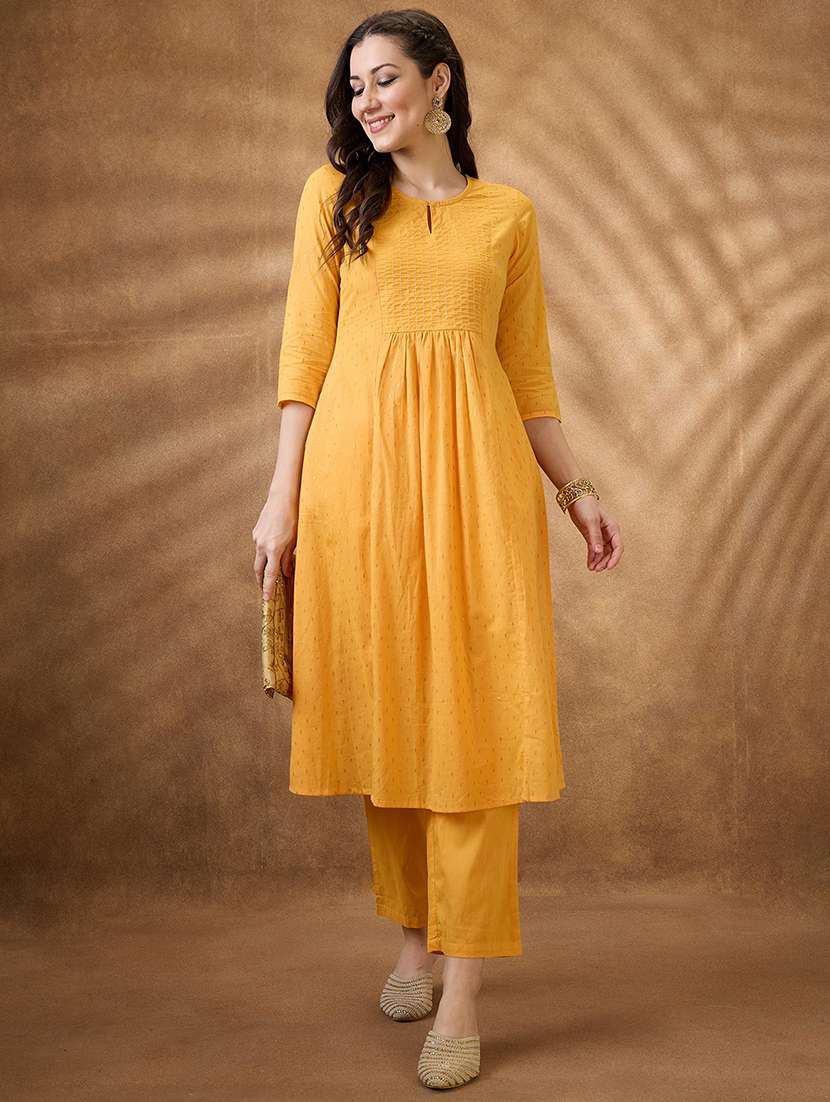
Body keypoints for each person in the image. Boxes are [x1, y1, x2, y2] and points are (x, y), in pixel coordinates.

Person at [252, 10, 623, 1091]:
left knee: (476, 727)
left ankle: (461, 987)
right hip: (357, 494)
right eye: (354, 85)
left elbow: (528, 374)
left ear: (440, 82)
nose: (365, 100)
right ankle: (414, 937)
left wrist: (577, 492)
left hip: (479, 494)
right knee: (389, 715)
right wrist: (281, 500)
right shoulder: (330, 198)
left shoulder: (508, 215)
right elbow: (304, 357)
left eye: (384, 79)